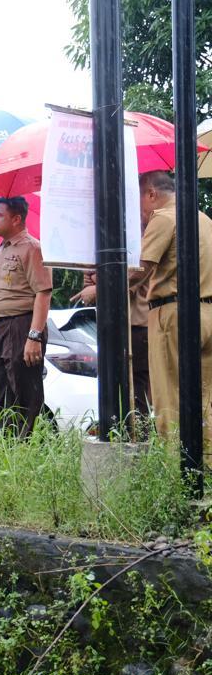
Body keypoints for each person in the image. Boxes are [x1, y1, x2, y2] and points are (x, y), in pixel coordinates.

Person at [134, 170, 212, 459]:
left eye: (140, 200)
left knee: (169, 399)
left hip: (173, 314)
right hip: (207, 313)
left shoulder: (164, 217)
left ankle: (177, 477)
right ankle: (206, 469)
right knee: (205, 399)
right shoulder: (202, 219)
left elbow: (140, 270)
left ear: (152, 194)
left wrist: (101, 287)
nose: (140, 211)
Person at [0, 196, 52, 436]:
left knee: (23, 388)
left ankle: (25, 446)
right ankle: (8, 443)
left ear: (16, 219)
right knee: (0, 388)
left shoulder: (32, 248)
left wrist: (34, 336)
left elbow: (43, 292)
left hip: (21, 324)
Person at [71, 266, 151, 435]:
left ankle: (140, 444)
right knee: (116, 390)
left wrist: (98, 284)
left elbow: (132, 276)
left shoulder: (140, 244)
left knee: (136, 391)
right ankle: (120, 437)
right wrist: (92, 279)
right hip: (115, 326)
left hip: (136, 325)